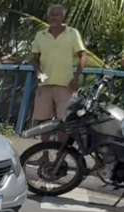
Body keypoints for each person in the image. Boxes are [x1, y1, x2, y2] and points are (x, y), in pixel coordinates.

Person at [29, 4, 87, 141]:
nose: (54, 17)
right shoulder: (40, 35)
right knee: (44, 122)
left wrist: (76, 77)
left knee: (64, 121)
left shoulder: (72, 33)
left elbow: (83, 55)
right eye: (51, 14)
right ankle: (44, 154)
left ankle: (61, 154)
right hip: (45, 84)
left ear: (63, 17)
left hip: (66, 84)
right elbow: (34, 58)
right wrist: (38, 72)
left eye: (57, 14)